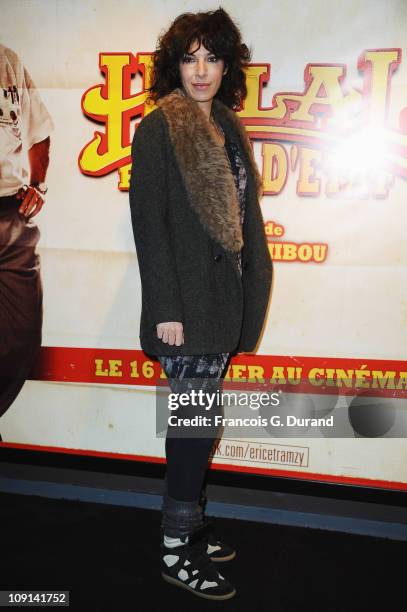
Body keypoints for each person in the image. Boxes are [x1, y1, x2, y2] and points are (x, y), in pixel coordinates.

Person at [129, 8, 272, 600]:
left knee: (203, 419)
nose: (201, 70)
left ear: (226, 65)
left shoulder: (229, 124)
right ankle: (175, 546)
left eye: (212, 57)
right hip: (184, 308)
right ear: (174, 65)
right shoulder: (159, 127)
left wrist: (253, 286)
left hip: (221, 301)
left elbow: (245, 218)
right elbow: (150, 225)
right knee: (191, 427)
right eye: (189, 58)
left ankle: (191, 523)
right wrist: (166, 306)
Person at [0, 44, 53, 439]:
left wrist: (37, 184)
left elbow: (38, 130)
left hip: (10, 210)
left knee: (22, 336)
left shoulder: (8, 59)